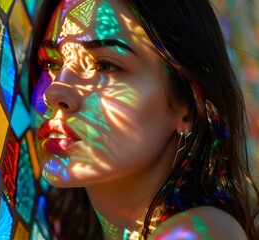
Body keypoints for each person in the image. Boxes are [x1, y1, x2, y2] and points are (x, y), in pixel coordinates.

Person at [28, 0, 259, 239]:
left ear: (188, 104)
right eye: (50, 63)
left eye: (104, 65)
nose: (53, 92)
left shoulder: (197, 232)